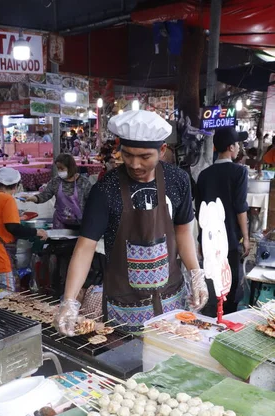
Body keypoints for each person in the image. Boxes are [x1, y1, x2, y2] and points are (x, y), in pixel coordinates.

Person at [55, 110, 208, 336]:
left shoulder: (178, 180)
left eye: (145, 157)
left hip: (171, 301)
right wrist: (69, 301)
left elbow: (183, 231)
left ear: (162, 150)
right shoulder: (105, 189)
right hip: (124, 307)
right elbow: (85, 247)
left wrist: (195, 273)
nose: (135, 164)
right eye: (127, 155)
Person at [196, 127, 249, 315]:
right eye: (237, 144)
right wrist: (247, 238)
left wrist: (200, 241)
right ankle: (227, 319)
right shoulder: (239, 172)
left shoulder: (204, 175)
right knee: (231, 284)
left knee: (212, 283)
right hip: (230, 240)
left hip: (209, 240)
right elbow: (240, 208)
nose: (238, 148)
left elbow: (200, 213)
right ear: (230, 147)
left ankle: (211, 317)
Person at [0, 167, 48, 292]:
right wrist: (36, 232)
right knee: (8, 294)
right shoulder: (7, 199)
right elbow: (13, 228)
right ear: (16, 185)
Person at [27, 153, 92, 229]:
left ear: (70, 168)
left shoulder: (84, 182)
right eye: (58, 168)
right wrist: (33, 198)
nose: (59, 171)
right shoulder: (56, 181)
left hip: (80, 223)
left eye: (62, 168)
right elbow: (44, 195)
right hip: (60, 222)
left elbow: (92, 203)